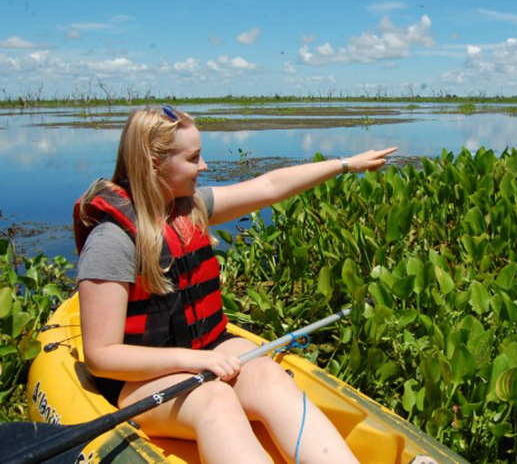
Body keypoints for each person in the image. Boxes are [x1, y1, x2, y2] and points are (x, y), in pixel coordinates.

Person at [74, 106, 396, 464]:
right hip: (139, 383)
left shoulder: (190, 208)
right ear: (154, 163)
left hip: (205, 350)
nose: (204, 166)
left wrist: (346, 164)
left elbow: (270, 186)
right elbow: (102, 357)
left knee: (271, 378)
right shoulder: (111, 240)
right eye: (194, 158)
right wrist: (197, 360)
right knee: (215, 399)